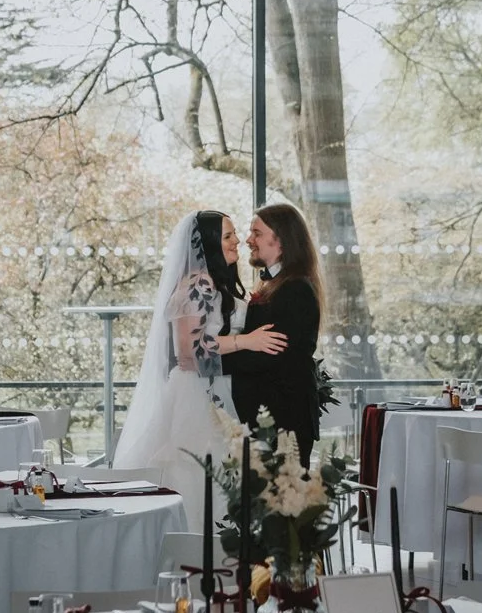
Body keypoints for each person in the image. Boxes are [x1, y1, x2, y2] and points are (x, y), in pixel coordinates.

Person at [111, 210, 285, 527]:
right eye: (228, 236)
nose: (237, 242)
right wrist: (246, 341)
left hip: (220, 390)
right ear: (207, 244)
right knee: (197, 473)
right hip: (195, 393)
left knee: (225, 473)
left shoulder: (218, 285)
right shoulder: (197, 284)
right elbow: (189, 352)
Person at [225, 203, 324, 467]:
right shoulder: (274, 284)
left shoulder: (296, 290)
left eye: (256, 233)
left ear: (281, 238)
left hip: (284, 423)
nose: (248, 240)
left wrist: (211, 358)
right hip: (268, 419)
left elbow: (270, 356)